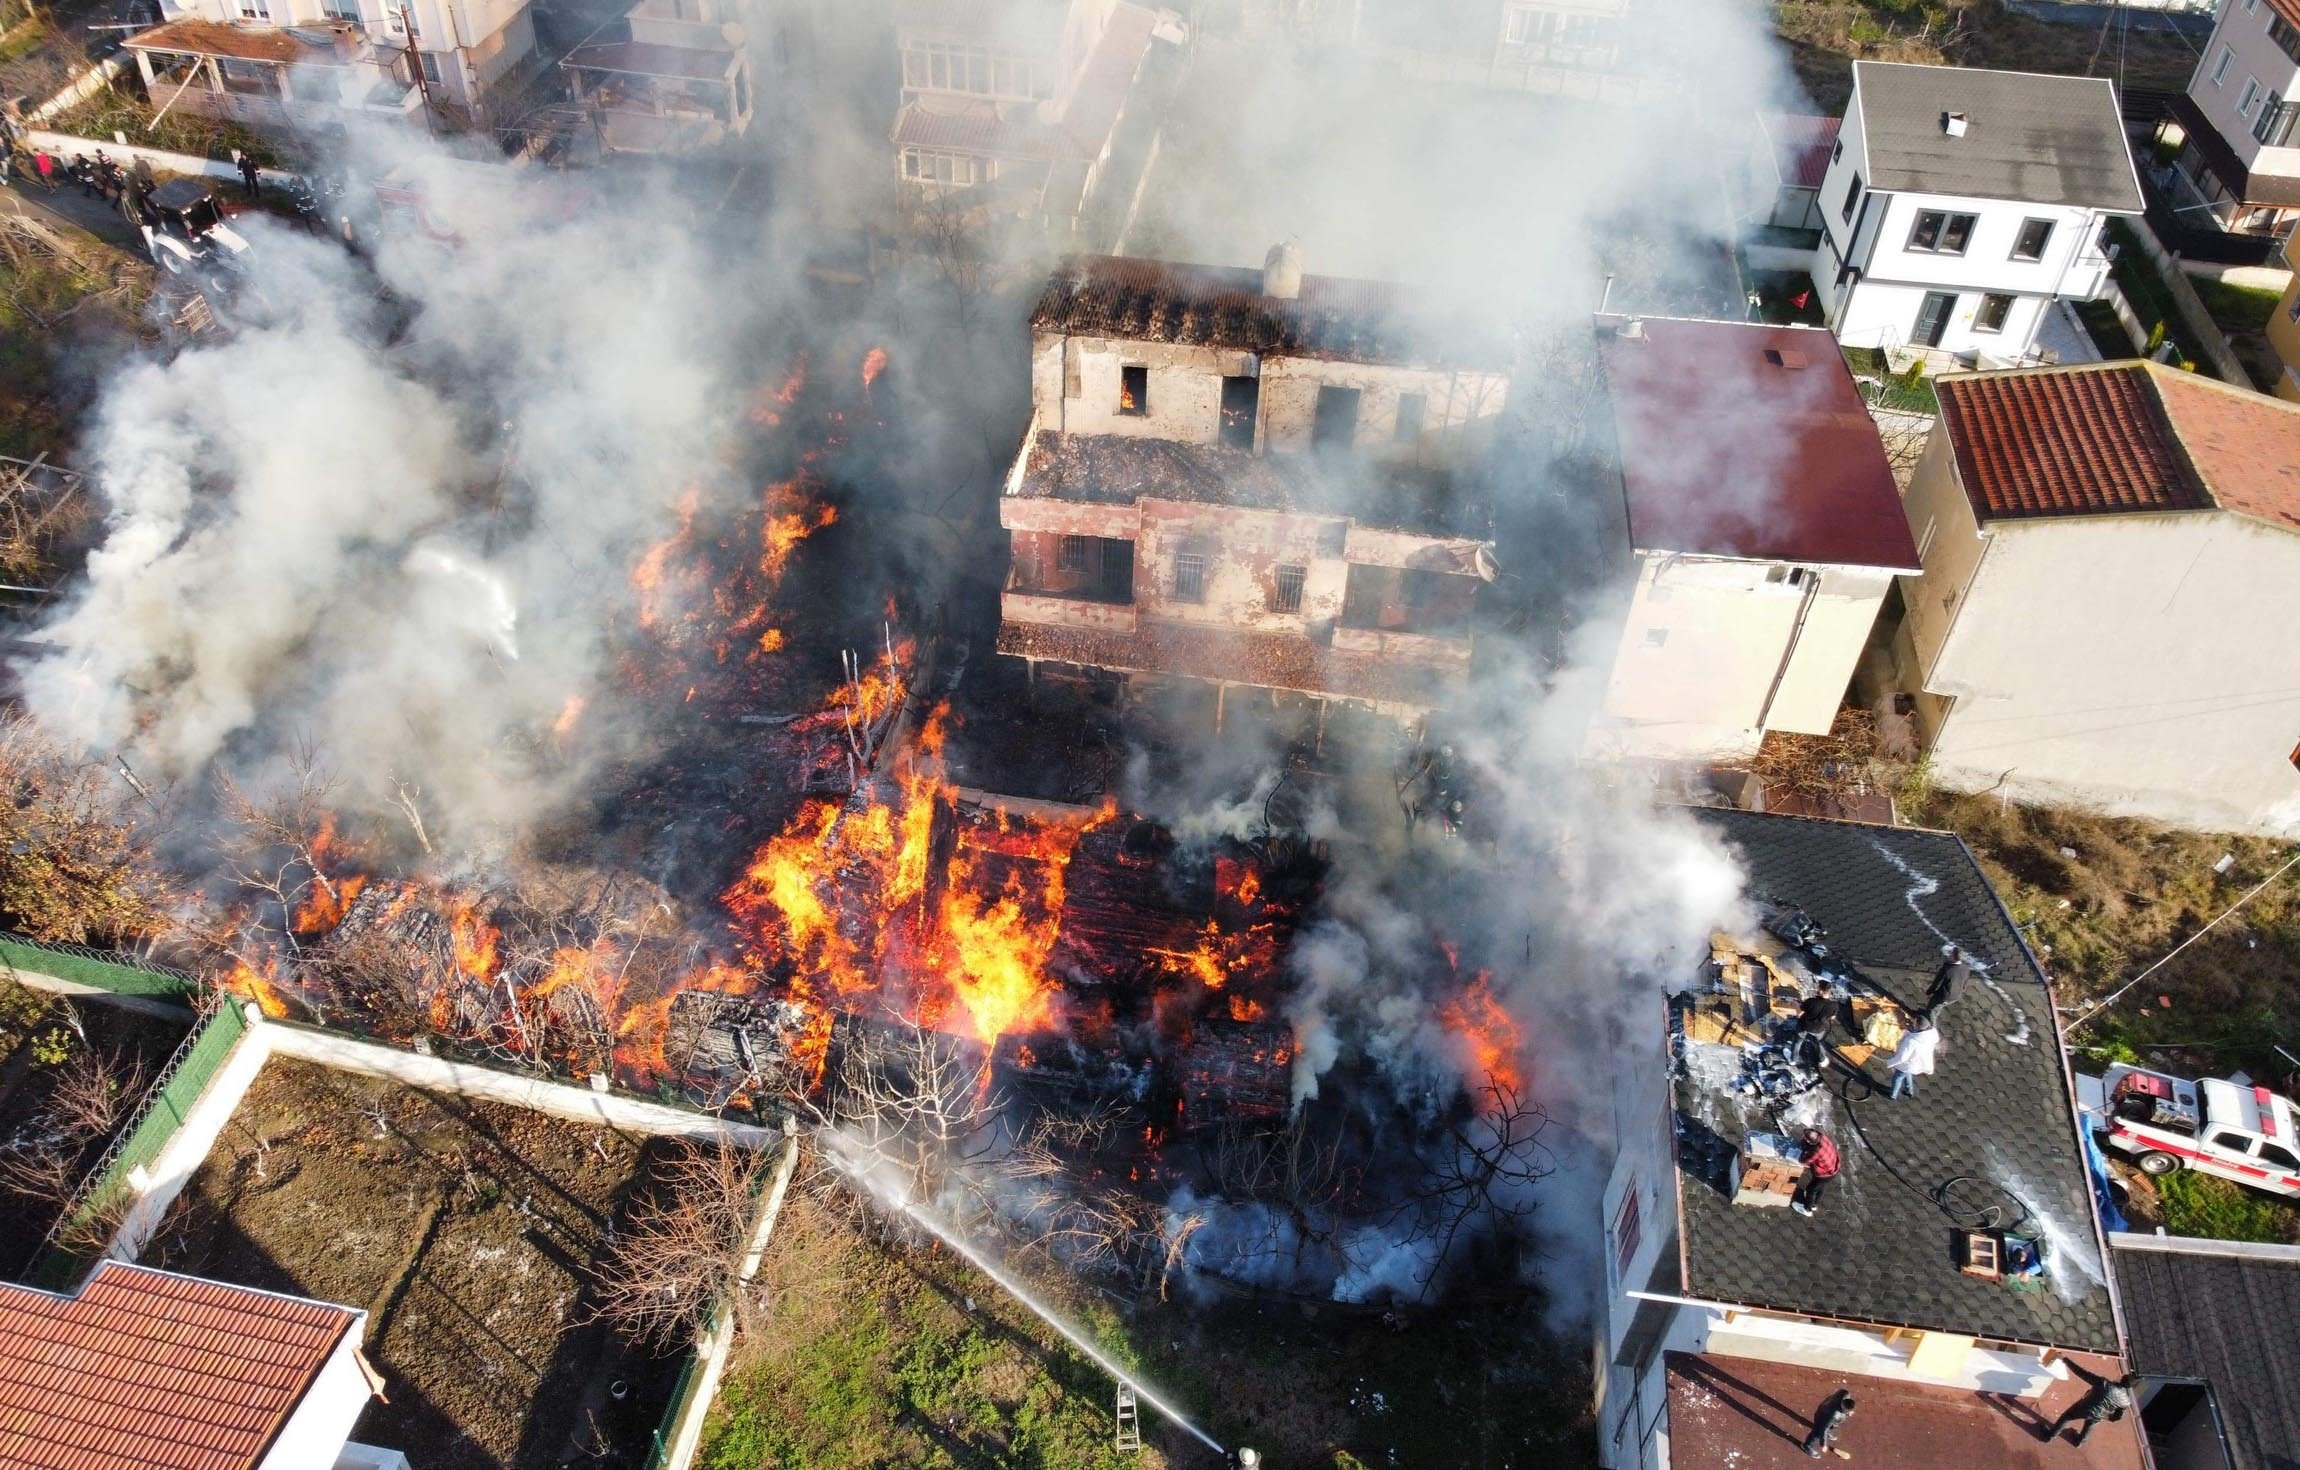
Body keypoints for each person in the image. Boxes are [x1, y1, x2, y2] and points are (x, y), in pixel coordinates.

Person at [2043, 1364, 2137, 1446]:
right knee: (2090, 1425)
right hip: (2100, 1414)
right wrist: (2109, 1417)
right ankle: (2079, 1442)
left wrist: (2065, 1360)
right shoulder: (2126, 1401)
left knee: (2067, 1416)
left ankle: (2050, 1436)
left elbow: (2082, 1373)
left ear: (2121, 1379)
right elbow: (2118, 1417)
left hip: (2084, 1407)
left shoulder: (2104, 1383)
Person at [1886, 1010, 1939, 1099]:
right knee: (1907, 1073)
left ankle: (1893, 1095)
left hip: (1908, 1062)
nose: (1912, 1024)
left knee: (1898, 1077)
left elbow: (1902, 1058)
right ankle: (1909, 1091)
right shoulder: (1931, 1035)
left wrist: (1889, 1063)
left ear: (1918, 1026)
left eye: (1914, 1023)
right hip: (1915, 1063)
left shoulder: (1912, 1042)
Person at [1791, 1127, 1839, 1218]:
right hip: (1833, 1169)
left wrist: (1803, 1151)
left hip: (1824, 1174)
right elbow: (1812, 1145)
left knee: (1811, 1189)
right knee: (1821, 1187)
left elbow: (1804, 1161)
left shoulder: (1816, 1151)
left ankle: (1807, 1209)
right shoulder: (1822, 1137)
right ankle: (1814, 1204)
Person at [1802, 1389, 1854, 1458]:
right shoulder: (1833, 1415)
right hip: (1822, 1417)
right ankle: (1807, 1446)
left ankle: (1827, 1433)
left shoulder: (1845, 1393)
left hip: (1824, 1408)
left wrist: (1846, 1413)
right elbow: (1824, 1429)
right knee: (1817, 1433)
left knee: (1827, 1427)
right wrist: (1824, 1444)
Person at [1927, 946, 1971, 1013]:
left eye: (1951, 954)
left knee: (1932, 1010)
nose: (1949, 955)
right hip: (1956, 995)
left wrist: (1929, 992)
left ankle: (1927, 1022)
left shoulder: (1947, 969)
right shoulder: (1966, 968)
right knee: (1939, 1006)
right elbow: (1965, 983)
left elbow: (1937, 982)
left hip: (1944, 996)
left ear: (1953, 957)